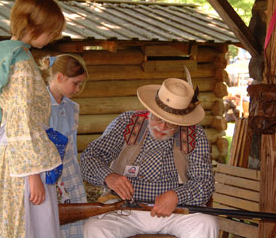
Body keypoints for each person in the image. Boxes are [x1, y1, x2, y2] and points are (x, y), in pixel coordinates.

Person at [0, 0, 66, 237]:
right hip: (22, 156)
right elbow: (21, 119)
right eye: (51, 31)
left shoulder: (12, 55)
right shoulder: (20, 63)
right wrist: (32, 175)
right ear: (33, 27)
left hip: (16, 150)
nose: (53, 37)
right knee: (25, 224)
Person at [80, 78, 218, 238]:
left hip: (176, 210)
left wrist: (177, 196)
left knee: (206, 224)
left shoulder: (195, 133)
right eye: (158, 118)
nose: (162, 128)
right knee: (95, 227)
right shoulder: (127, 123)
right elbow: (90, 157)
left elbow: (204, 182)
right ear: (150, 109)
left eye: (171, 124)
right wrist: (108, 176)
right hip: (125, 208)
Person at [39, 54, 88, 238]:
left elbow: (71, 145)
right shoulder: (39, 106)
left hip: (70, 173)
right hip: (47, 174)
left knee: (74, 222)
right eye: (75, 83)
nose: (78, 88)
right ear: (59, 77)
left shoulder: (72, 108)